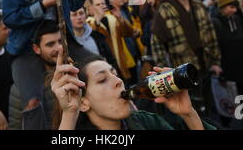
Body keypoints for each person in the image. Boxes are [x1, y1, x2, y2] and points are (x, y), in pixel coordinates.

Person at [50, 46, 217, 130]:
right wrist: (70, 114)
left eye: (114, 73)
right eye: (102, 80)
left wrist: (188, 113)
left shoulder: (146, 122)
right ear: (84, 103)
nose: (118, 81)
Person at [151, 0, 222, 116]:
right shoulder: (165, 9)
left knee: (208, 104)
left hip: (205, 63)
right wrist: (162, 72)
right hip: (182, 69)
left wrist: (215, 61)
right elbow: (157, 41)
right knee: (191, 109)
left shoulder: (199, 5)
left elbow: (211, 34)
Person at [8, 20, 96, 130]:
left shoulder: (80, 76)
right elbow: (16, 125)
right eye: (50, 44)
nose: (59, 48)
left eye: (60, 41)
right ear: (36, 49)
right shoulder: (23, 87)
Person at [212, 0, 243, 129]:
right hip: (228, 67)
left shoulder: (238, 18)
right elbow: (214, 45)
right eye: (231, 7)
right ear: (223, 7)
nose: (235, 10)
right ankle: (227, 121)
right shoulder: (215, 22)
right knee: (229, 96)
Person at [86, 0, 138, 84]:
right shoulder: (89, 24)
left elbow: (130, 33)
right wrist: (98, 19)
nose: (101, 6)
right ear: (91, 8)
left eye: (103, 3)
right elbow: (93, 39)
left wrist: (120, 17)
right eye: (98, 5)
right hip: (104, 68)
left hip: (120, 64)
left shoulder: (112, 19)